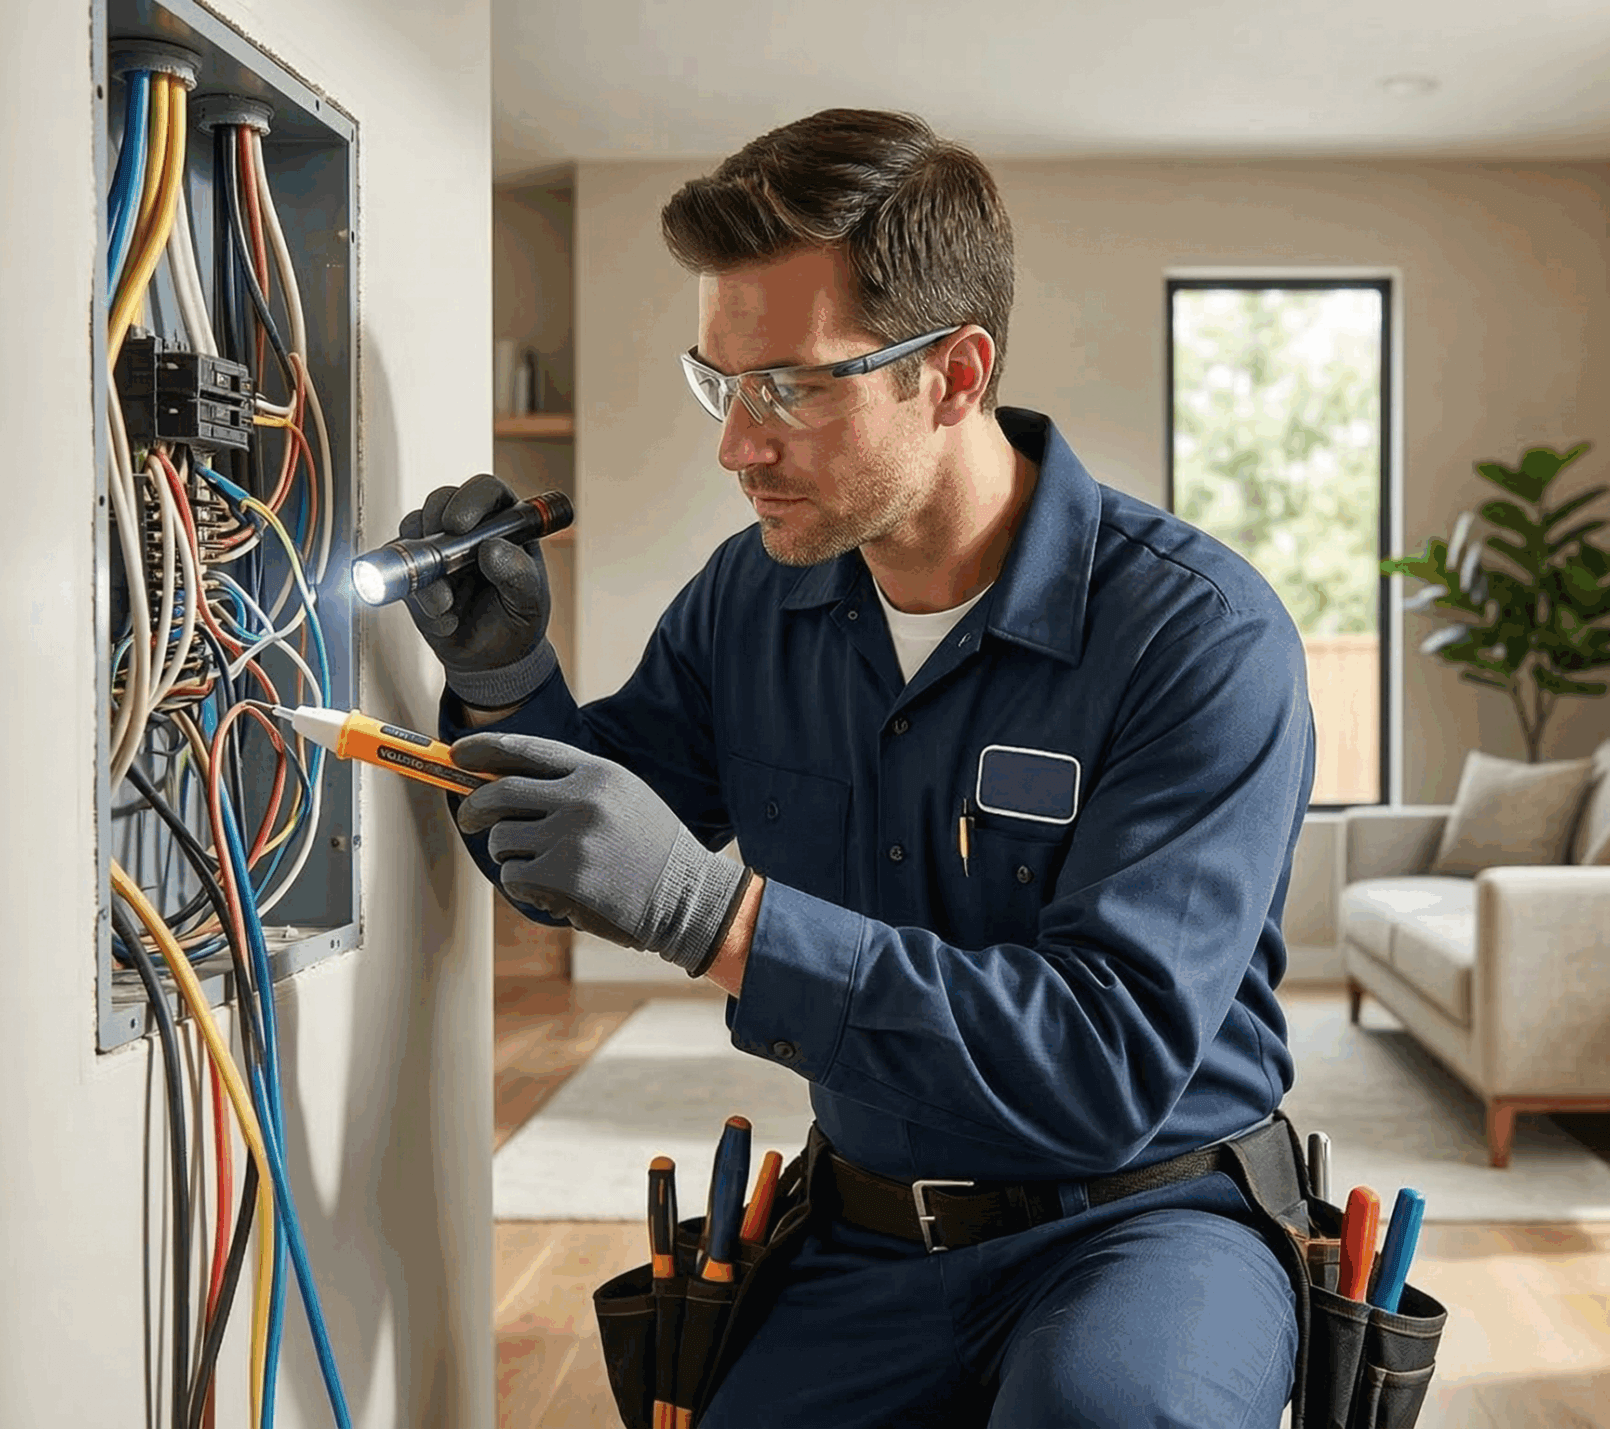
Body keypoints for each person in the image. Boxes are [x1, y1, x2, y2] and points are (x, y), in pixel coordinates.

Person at [412, 108, 1316, 1427]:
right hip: (867, 1237)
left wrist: (723, 920)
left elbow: (1104, 1060)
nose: (736, 443)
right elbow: (575, 859)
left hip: (1145, 1223)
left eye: (789, 385)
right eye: (719, 382)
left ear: (953, 375)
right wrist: (503, 675)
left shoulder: (1198, 637)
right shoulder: (750, 605)